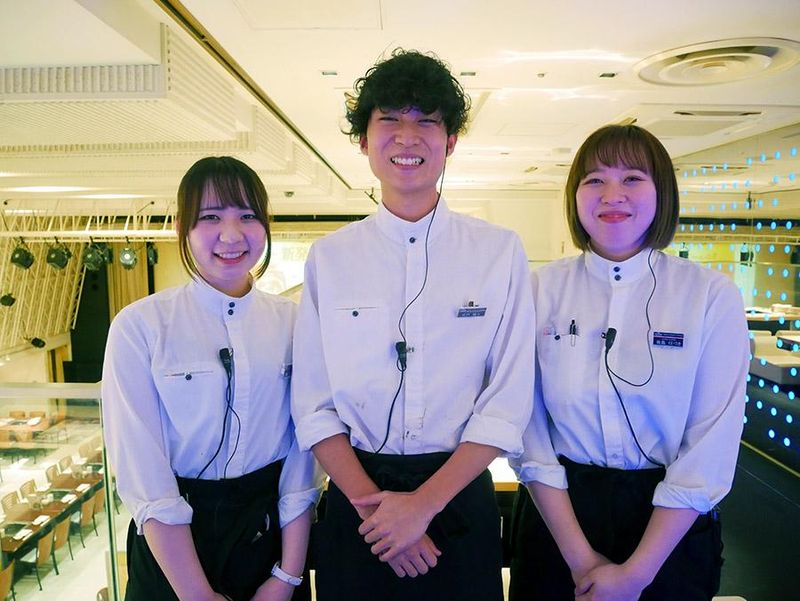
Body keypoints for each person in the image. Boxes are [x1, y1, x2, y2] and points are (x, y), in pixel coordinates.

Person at [291, 49, 535, 600]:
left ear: (450, 141)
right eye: (390, 120)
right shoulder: (330, 258)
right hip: (359, 503)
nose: (408, 136)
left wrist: (422, 506)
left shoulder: (498, 252)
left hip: (457, 498)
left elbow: (508, 399)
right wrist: (379, 516)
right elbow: (312, 404)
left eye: (426, 121)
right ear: (364, 141)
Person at [509, 124, 749, 601]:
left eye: (633, 178)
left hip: (668, 526)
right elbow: (528, 431)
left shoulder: (709, 295)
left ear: (662, 192)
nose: (611, 194)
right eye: (594, 180)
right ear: (575, 196)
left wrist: (637, 575)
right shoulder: (538, 290)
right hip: (559, 515)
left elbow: (710, 445)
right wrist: (581, 561)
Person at [102, 156, 322, 601]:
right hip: (172, 551)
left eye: (247, 216)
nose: (231, 235)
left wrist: (287, 577)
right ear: (182, 227)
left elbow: (303, 461)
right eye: (210, 217)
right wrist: (196, 594)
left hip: (269, 538)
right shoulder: (140, 326)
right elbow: (144, 473)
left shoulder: (295, 322)